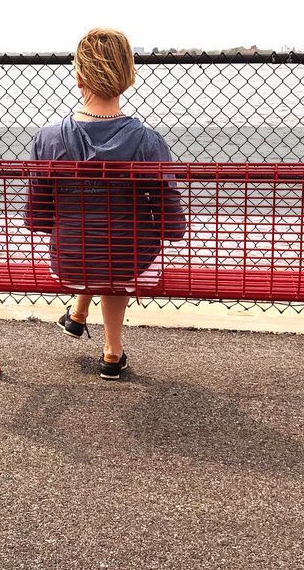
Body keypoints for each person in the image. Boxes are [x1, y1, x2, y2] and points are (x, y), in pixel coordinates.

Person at [25, 28, 186, 380]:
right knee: (119, 249)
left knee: (94, 241)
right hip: (130, 263)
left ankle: (79, 315)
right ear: (128, 77)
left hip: (70, 262)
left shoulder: (48, 139)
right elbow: (173, 226)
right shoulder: (148, 142)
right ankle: (112, 352)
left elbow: (37, 219)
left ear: (79, 76)